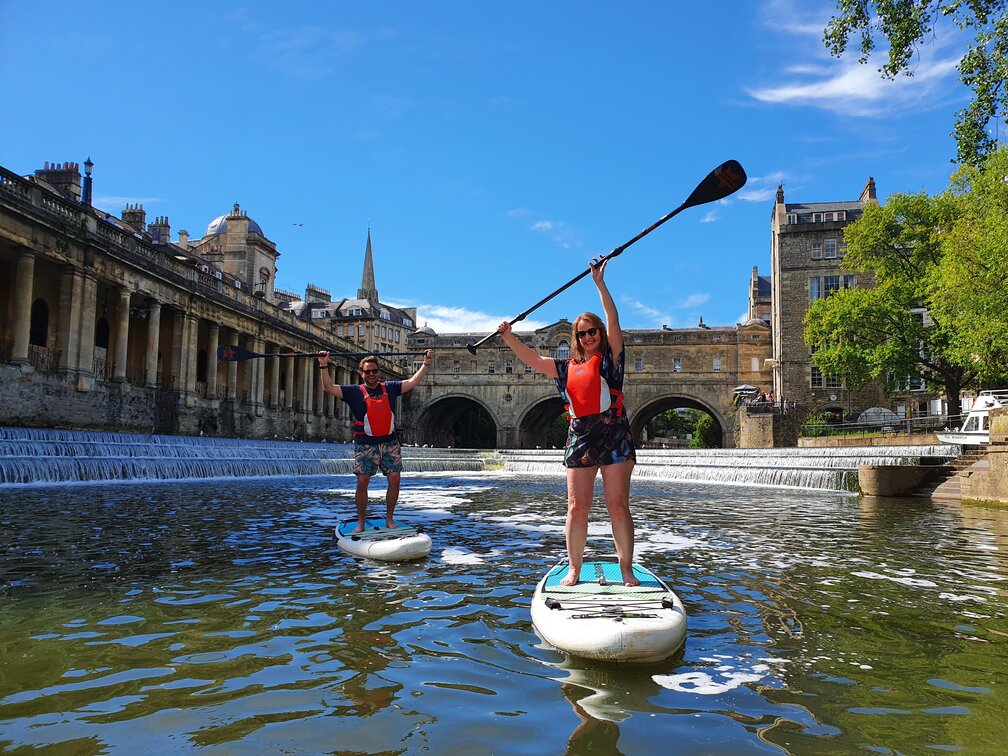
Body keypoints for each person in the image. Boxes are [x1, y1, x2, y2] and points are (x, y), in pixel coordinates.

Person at [496, 257, 638, 586]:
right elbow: (532, 359)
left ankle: (626, 568)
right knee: (576, 507)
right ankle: (574, 568)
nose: (588, 336)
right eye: (582, 333)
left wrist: (600, 284)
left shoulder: (612, 361)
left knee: (617, 505)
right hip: (581, 438)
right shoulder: (565, 368)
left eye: (592, 331)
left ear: (599, 334)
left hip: (614, 435)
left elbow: (614, 321)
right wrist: (508, 337)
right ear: (575, 338)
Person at [317, 349, 434, 533]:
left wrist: (426, 364)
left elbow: (412, 382)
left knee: (394, 479)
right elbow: (328, 387)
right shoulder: (354, 391)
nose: (371, 374)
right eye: (367, 371)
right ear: (361, 373)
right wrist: (323, 364)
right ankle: (361, 523)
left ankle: (389, 519)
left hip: (390, 442)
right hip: (365, 443)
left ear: (378, 372)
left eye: (374, 371)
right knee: (363, 481)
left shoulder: (391, 387)